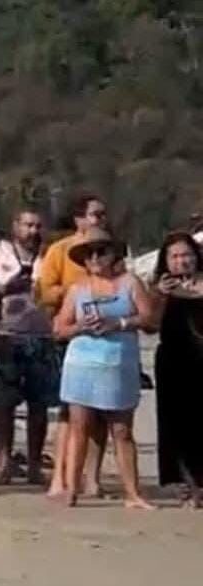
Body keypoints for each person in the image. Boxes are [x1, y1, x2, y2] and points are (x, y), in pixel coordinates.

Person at [54, 227, 155, 509]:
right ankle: (72, 489)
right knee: (79, 427)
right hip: (82, 365)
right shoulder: (77, 289)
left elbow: (149, 318)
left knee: (122, 430)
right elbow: (59, 329)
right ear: (84, 262)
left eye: (102, 251)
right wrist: (79, 327)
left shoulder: (130, 283)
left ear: (114, 255)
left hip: (119, 364)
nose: (96, 258)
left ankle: (133, 493)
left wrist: (119, 323)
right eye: (89, 254)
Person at [38, 194, 109, 498]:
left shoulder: (112, 251)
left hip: (108, 339)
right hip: (71, 338)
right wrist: (78, 291)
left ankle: (92, 478)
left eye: (103, 215)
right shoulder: (60, 250)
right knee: (70, 412)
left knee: (103, 413)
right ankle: (61, 477)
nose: (100, 220)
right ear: (79, 219)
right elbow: (44, 291)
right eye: (94, 214)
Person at [0, 209, 58, 485]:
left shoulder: (50, 255)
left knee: (39, 404)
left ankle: (35, 464)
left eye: (38, 225)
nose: (33, 231)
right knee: (3, 403)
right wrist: (6, 290)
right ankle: (3, 459)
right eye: (28, 225)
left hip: (42, 335)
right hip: (6, 334)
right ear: (15, 226)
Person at [151, 232, 203, 508]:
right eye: (175, 256)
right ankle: (186, 484)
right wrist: (160, 295)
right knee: (176, 424)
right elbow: (148, 323)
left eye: (187, 255)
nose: (182, 261)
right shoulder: (160, 289)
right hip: (174, 360)